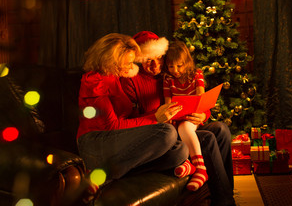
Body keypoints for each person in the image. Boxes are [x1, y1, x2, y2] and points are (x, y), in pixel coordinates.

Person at [121, 31, 235, 206]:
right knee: (208, 139)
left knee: (220, 129)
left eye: (159, 58)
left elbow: (194, 98)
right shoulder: (131, 81)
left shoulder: (170, 73)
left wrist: (203, 115)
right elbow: (129, 120)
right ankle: (225, 202)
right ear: (139, 60)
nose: (155, 64)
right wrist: (157, 117)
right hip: (163, 133)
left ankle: (227, 191)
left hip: (184, 123)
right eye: (148, 60)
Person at [76, 33, 189, 182]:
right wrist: (154, 118)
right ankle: (103, 175)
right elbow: (112, 126)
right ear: (112, 61)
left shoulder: (114, 76)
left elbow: (125, 121)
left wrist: (158, 114)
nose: (132, 67)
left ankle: (117, 171)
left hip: (117, 138)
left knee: (179, 151)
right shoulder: (95, 82)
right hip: (95, 142)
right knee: (166, 132)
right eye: (128, 63)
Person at [163, 40, 208, 191]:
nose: (175, 70)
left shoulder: (196, 74)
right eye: (171, 66)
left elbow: (200, 97)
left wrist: (198, 112)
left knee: (185, 128)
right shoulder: (168, 79)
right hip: (176, 117)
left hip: (191, 117)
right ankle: (186, 164)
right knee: (170, 133)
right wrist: (169, 119)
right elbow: (168, 103)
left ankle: (200, 168)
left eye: (179, 65)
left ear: (187, 62)